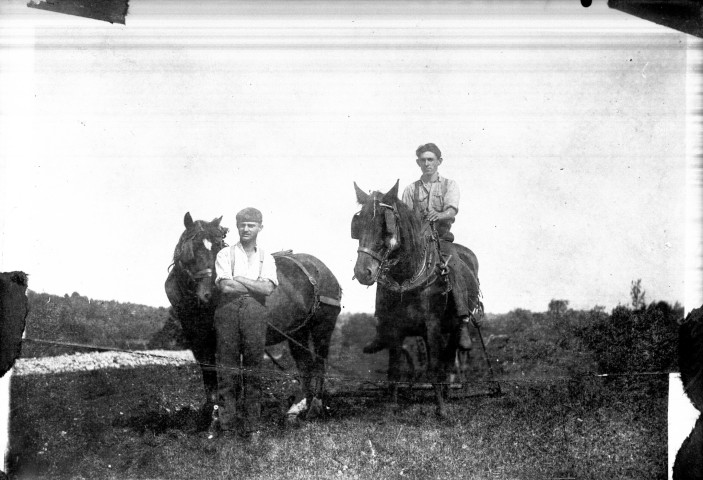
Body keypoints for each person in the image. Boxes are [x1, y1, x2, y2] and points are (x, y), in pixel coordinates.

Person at [363, 143, 476, 353]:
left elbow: (451, 211)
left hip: (440, 237)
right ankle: (382, 329)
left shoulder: (449, 185)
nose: (427, 164)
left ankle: (462, 322)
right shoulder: (410, 189)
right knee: (385, 269)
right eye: (423, 160)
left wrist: (439, 215)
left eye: (431, 159)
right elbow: (403, 217)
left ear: (439, 162)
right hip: (416, 242)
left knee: (454, 264)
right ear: (418, 163)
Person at [213, 207, 278, 438]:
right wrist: (253, 283)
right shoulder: (225, 254)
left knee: (253, 371)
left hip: (255, 314)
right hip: (227, 313)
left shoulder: (266, 258)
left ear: (260, 227)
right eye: (242, 225)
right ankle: (227, 427)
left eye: (251, 225)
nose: (246, 229)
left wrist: (239, 278)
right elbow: (225, 287)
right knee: (227, 371)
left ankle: (253, 428)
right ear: (237, 227)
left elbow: (268, 288)